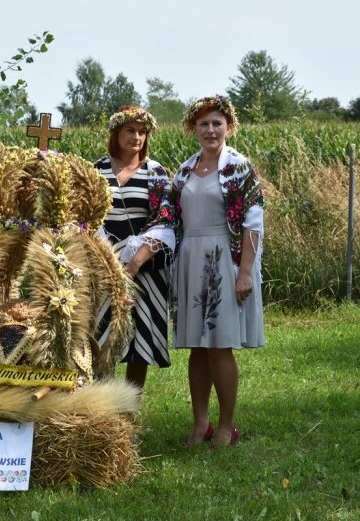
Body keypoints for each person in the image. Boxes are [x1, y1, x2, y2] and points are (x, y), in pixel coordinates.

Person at [170, 95, 265, 449]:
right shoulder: (183, 171)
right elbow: (171, 218)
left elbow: (253, 221)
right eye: (203, 124)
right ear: (192, 128)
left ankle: (227, 425)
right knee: (197, 345)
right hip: (192, 258)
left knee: (220, 345)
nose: (210, 130)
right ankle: (200, 424)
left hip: (225, 259)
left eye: (216, 123)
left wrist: (245, 272)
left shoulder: (239, 167)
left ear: (228, 127)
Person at [94, 104, 174, 391]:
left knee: (139, 341)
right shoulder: (97, 170)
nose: (137, 137)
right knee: (99, 337)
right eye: (130, 130)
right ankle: (101, 405)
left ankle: (130, 408)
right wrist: (110, 267)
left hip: (145, 268)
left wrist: (133, 265)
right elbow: (84, 219)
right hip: (103, 268)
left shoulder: (156, 173)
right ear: (116, 132)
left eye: (142, 132)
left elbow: (165, 221)